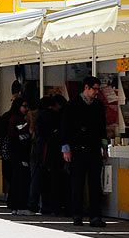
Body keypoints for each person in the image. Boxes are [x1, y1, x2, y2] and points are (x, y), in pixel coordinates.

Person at [61, 75, 108, 228]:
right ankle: (77, 215)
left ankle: (95, 216)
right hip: (77, 149)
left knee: (95, 184)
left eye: (98, 90)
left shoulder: (98, 106)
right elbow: (65, 128)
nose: (96, 92)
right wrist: (66, 148)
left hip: (94, 149)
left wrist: (104, 146)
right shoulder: (72, 105)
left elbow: (102, 128)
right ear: (86, 88)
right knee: (77, 184)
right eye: (94, 89)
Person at [29, 94, 63, 215]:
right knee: (49, 180)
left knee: (37, 178)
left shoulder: (36, 115)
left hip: (38, 151)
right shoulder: (53, 116)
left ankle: (34, 204)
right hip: (49, 152)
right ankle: (48, 206)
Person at [5, 97, 33, 215]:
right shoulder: (18, 120)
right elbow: (23, 135)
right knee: (22, 180)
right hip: (20, 154)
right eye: (24, 106)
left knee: (16, 180)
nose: (26, 109)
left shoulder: (12, 118)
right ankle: (21, 206)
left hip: (15, 155)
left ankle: (15, 206)